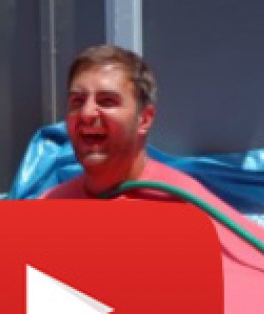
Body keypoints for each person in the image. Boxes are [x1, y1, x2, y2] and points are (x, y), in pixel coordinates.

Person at [41, 44, 230, 209]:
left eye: (106, 101)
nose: (86, 113)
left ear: (144, 119)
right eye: (77, 101)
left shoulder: (185, 206)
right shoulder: (50, 207)